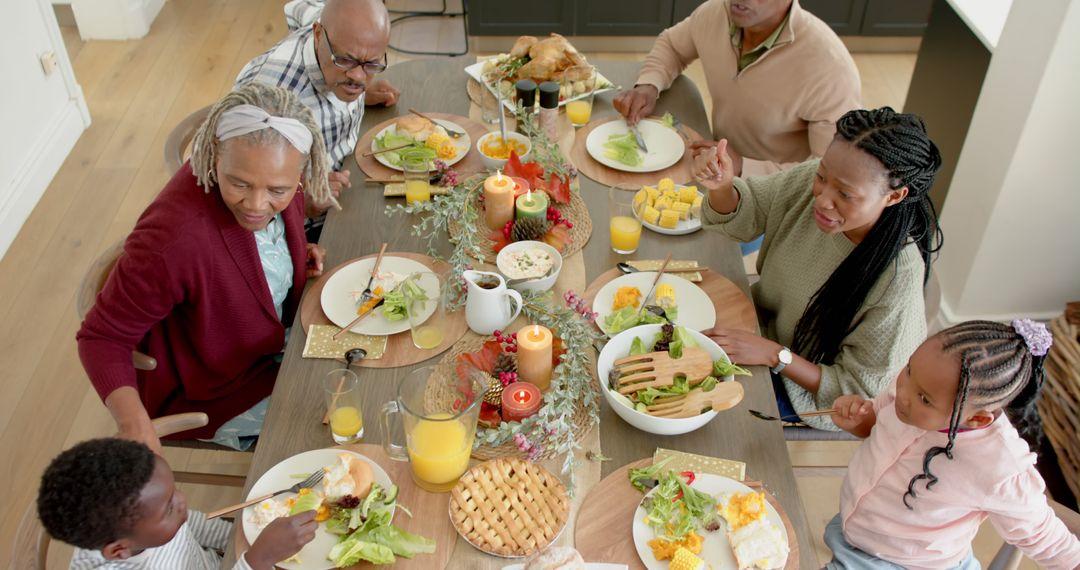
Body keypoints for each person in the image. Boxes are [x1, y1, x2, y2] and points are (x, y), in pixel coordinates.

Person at [76, 83, 333, 452]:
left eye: (278, 190)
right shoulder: (173, 239)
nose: (257, 205)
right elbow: (101, 337)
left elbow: (240, 257)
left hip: (271, 343)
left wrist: (287, 257)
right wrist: (133, 424)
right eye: (238, 183)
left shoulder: (275, 176)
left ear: (301, 174)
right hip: (216, 388)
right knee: (342, 418)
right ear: (214, 155)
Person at [694, 107, 941, 431]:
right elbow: (749, 211)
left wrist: (775, 355)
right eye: (822, 177)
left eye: (845, 194)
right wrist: (723, 186)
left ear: (894, 196)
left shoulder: (897, 279)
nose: (823, 199)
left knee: (700, 414)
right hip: (756, 329)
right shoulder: (816, 183)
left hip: (805, 391)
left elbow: (858, 394)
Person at [825, 320, 1080, 568]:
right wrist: (858, 419)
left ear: (977, 418)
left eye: (924, 399)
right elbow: (873, 424)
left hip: (902, 562)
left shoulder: (999, 467)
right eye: (909, 369)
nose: (902, 394)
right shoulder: (916, 385)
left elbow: (1043, 535)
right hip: (859, 529)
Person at [614, 0, 860, 177]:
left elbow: (830, 173)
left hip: (769, 194)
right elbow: (672, 45)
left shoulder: (829, 69)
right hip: (710, 162)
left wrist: (743, 166)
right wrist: (649, 85)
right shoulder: (716, 12)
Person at [237, 0, 398, 236]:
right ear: (317, 34)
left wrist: (362, 92)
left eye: (371, 64)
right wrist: (302, 204)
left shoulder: (332, 25)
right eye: (345, 60)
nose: (357, 75)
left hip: (351, 174)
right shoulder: (273, 104)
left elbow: (296, 8)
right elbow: (240, 206)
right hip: (296, 229)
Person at [37, 438, 317, 569]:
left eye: (174, 492)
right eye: (169, 506)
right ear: (119, 550)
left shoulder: (142, 526)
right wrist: (259, 559)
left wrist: (241, 538)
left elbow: (191, 523)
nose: (182, 502)